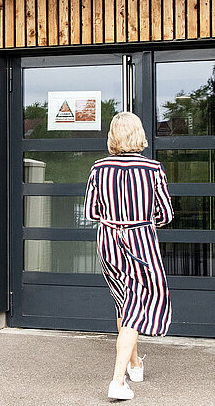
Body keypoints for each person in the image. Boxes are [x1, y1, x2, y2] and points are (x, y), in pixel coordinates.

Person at [83, 112, 174, 400]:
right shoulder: (152, 169)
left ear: (113, 136)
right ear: (139, 134)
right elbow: (166, 215)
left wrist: (115, 219)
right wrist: (141, 219)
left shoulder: (99, 168)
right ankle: (117, 382)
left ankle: (135, 363)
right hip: (140, 241)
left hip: (108, 240)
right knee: (136, 305)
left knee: (125, 303)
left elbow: (91, 212)